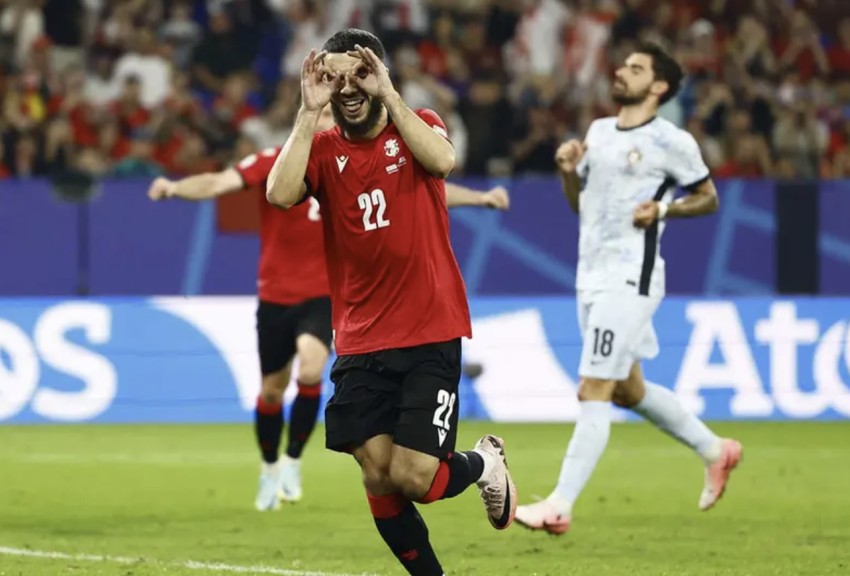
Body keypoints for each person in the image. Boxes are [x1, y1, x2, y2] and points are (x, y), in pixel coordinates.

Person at [147, 106, 511, 513]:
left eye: (329, 118)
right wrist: (175, 188)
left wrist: (479, 198)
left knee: (309, 368)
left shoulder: (350, 159)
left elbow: (426, 187)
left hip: (323, 296)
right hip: (276, 297)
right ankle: (270, 466)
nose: (326, 123)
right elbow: (220, 181)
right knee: (272, 389)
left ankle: (292, 461)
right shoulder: (278, 162)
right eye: (318, 116)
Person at [266, 29, 517, 576]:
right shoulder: (322, 149)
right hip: (360, 338)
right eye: (335, 77)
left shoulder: (418, 123)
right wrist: (307, 113)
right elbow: (279, 194)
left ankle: (484, 464)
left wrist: (390, 93)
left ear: (379, 74)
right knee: (378, 474)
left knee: (415, 478)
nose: (347, 87)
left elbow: (443, 161)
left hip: (429, 330)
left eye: (359, 74)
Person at [515, 42, 743, 535]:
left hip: (629, 276)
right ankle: (715, 450)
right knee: (626, 390)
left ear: (659, 86)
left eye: (636, 68)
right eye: (623, 65)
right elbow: (580, 205)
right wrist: (568, 172)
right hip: (590, 276)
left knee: (593, 386)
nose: (622, 71)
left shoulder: (672, 141)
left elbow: (708, 198)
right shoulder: (599, 131)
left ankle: (559, 504)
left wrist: (663, 209)